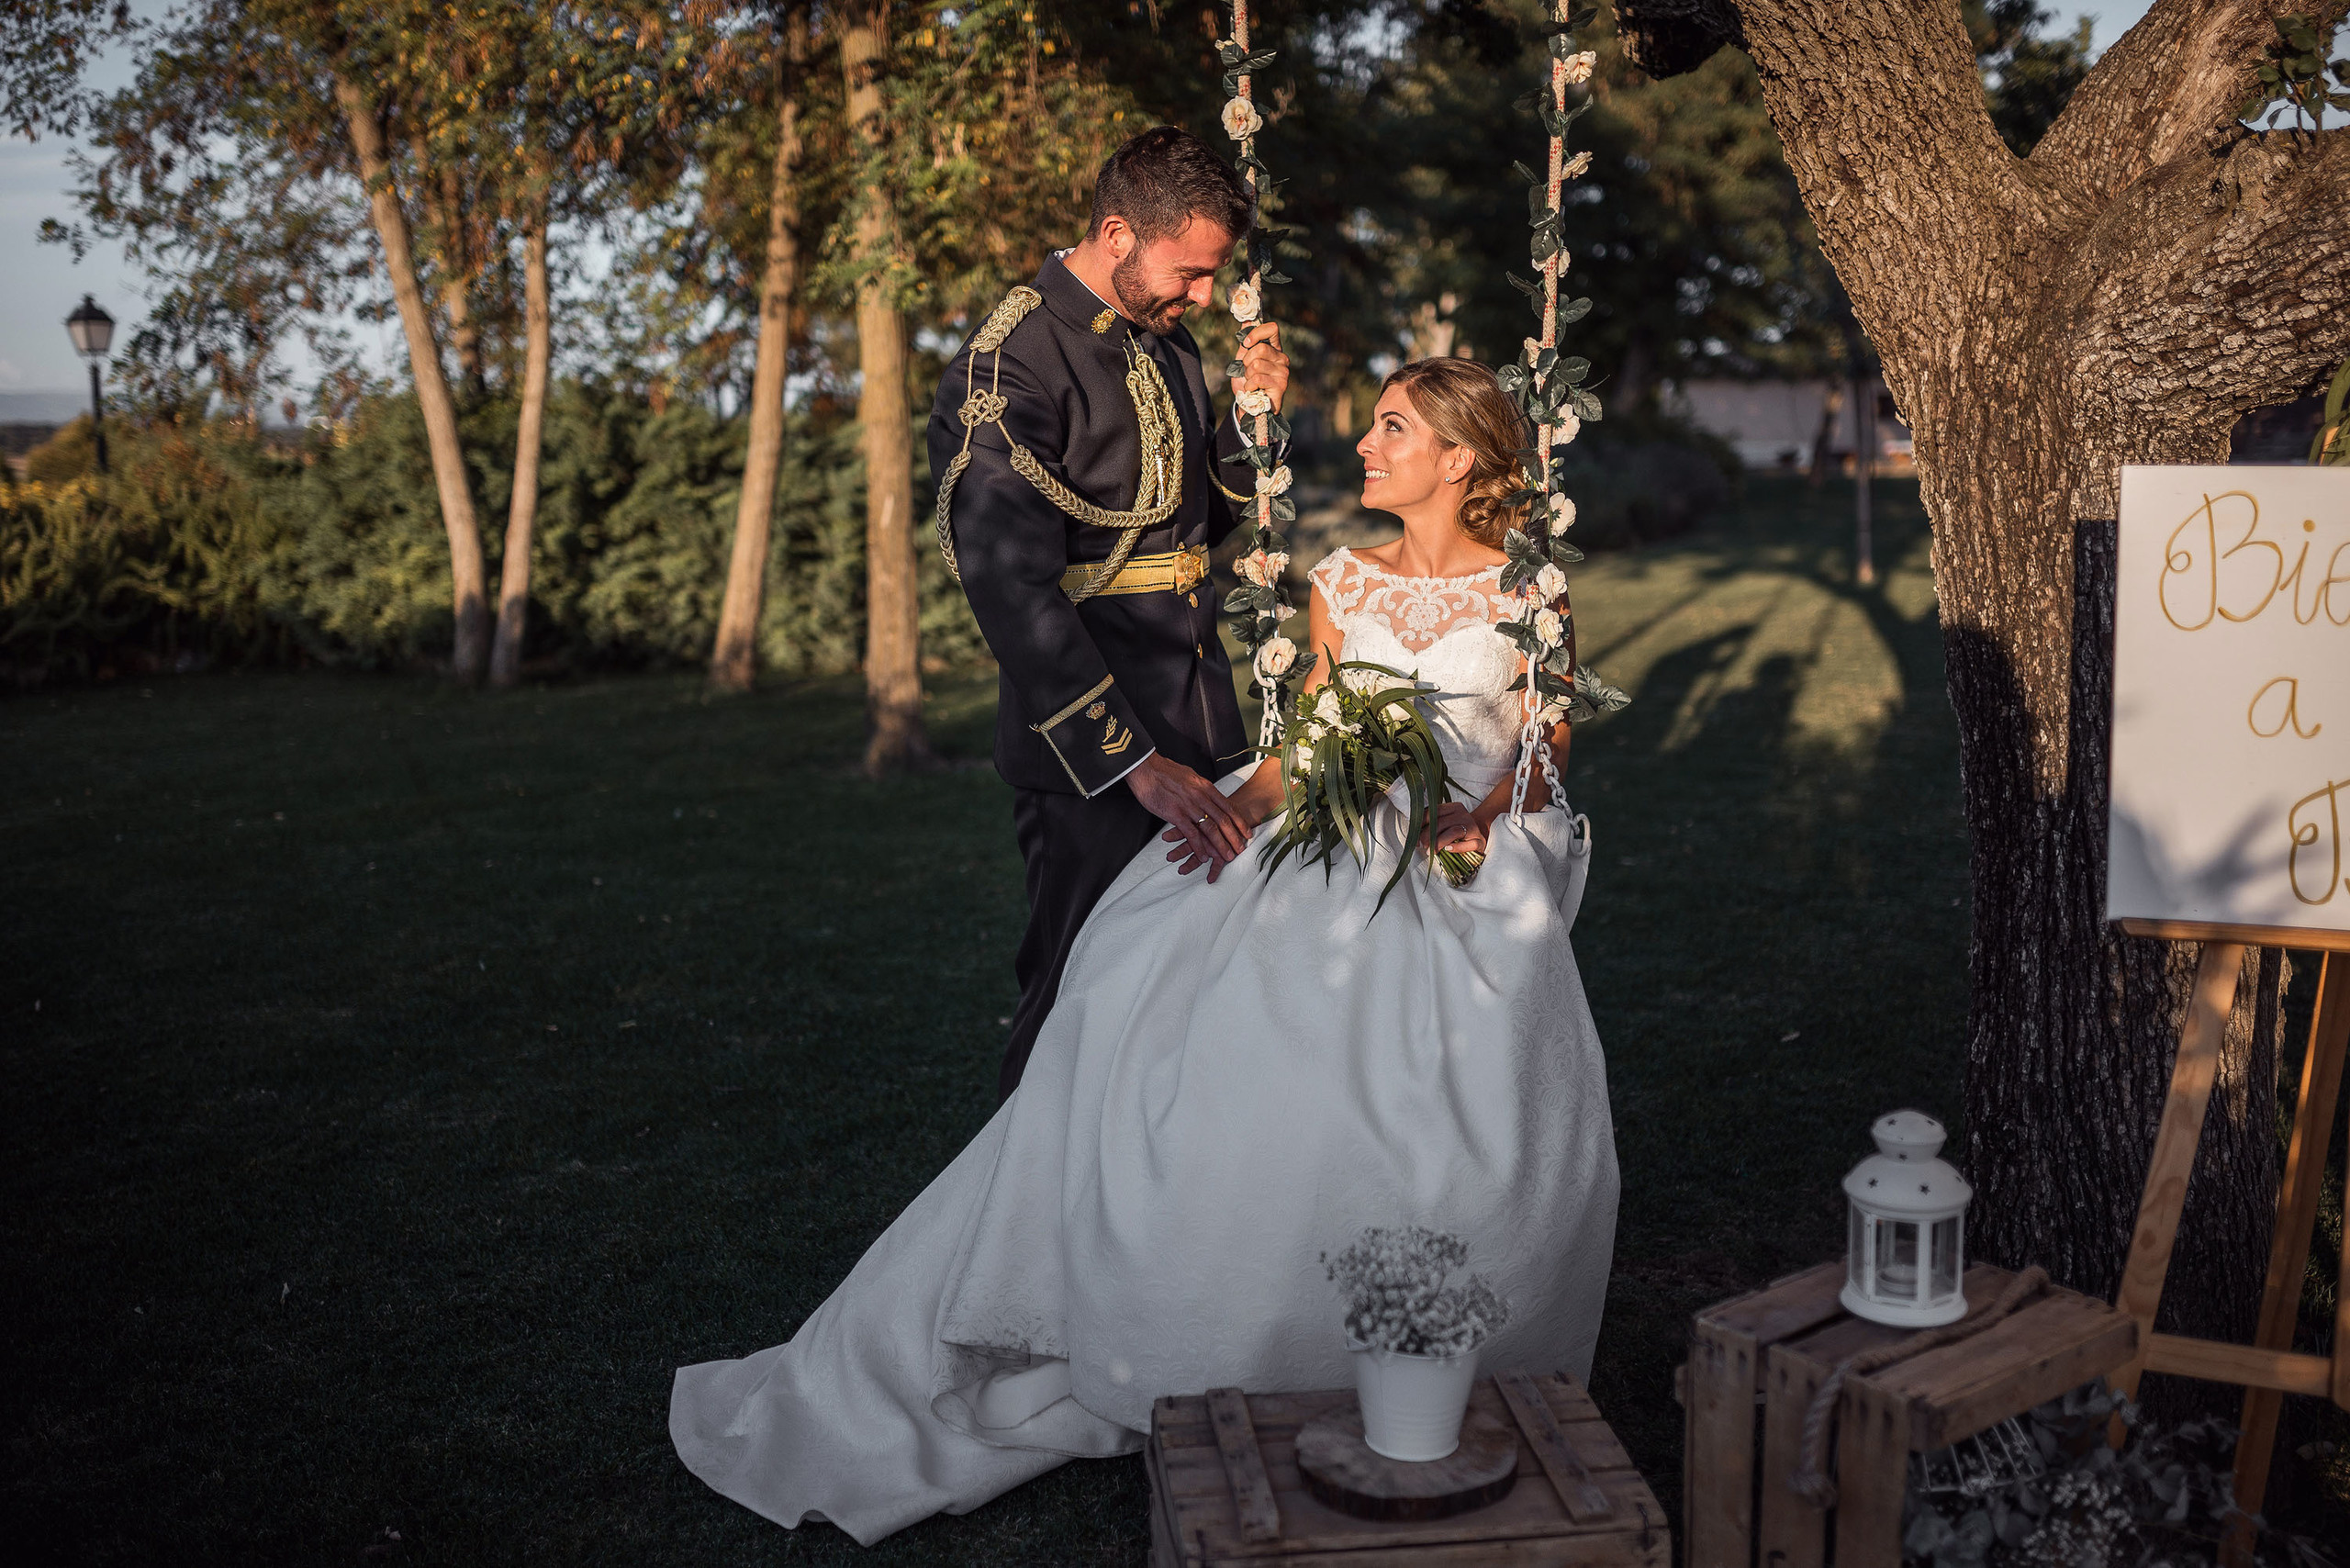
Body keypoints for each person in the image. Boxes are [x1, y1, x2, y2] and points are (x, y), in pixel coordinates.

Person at [669, 354, 1618, 1546]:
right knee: (1161, 1012)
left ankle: (1428, 1341)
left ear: (1460, 457)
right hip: (1336, 838)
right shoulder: (1340, 582)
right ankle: (1188, 1316)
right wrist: (1252, 806)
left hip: (1462, 860)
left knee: (1436, 1109)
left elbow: (1550, 739)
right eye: (1371, 424)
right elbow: (1307, 737)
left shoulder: (1530, 590)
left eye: (1390, 430)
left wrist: (1477, 819)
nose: (1367, 446)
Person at [926, 126, 1291, 1103]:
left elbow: (1196, 528)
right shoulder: (1006, 366)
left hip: (1204, 719)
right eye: (1192, 272)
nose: (1203, 297)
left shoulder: (1164, 343)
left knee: (1203, 997)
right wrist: (1132, 761)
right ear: (1119, 232)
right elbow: (1009, 586)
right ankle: (1021, 1238)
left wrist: (1250, 424)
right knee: (1073, 1003)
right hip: (1093, 755)